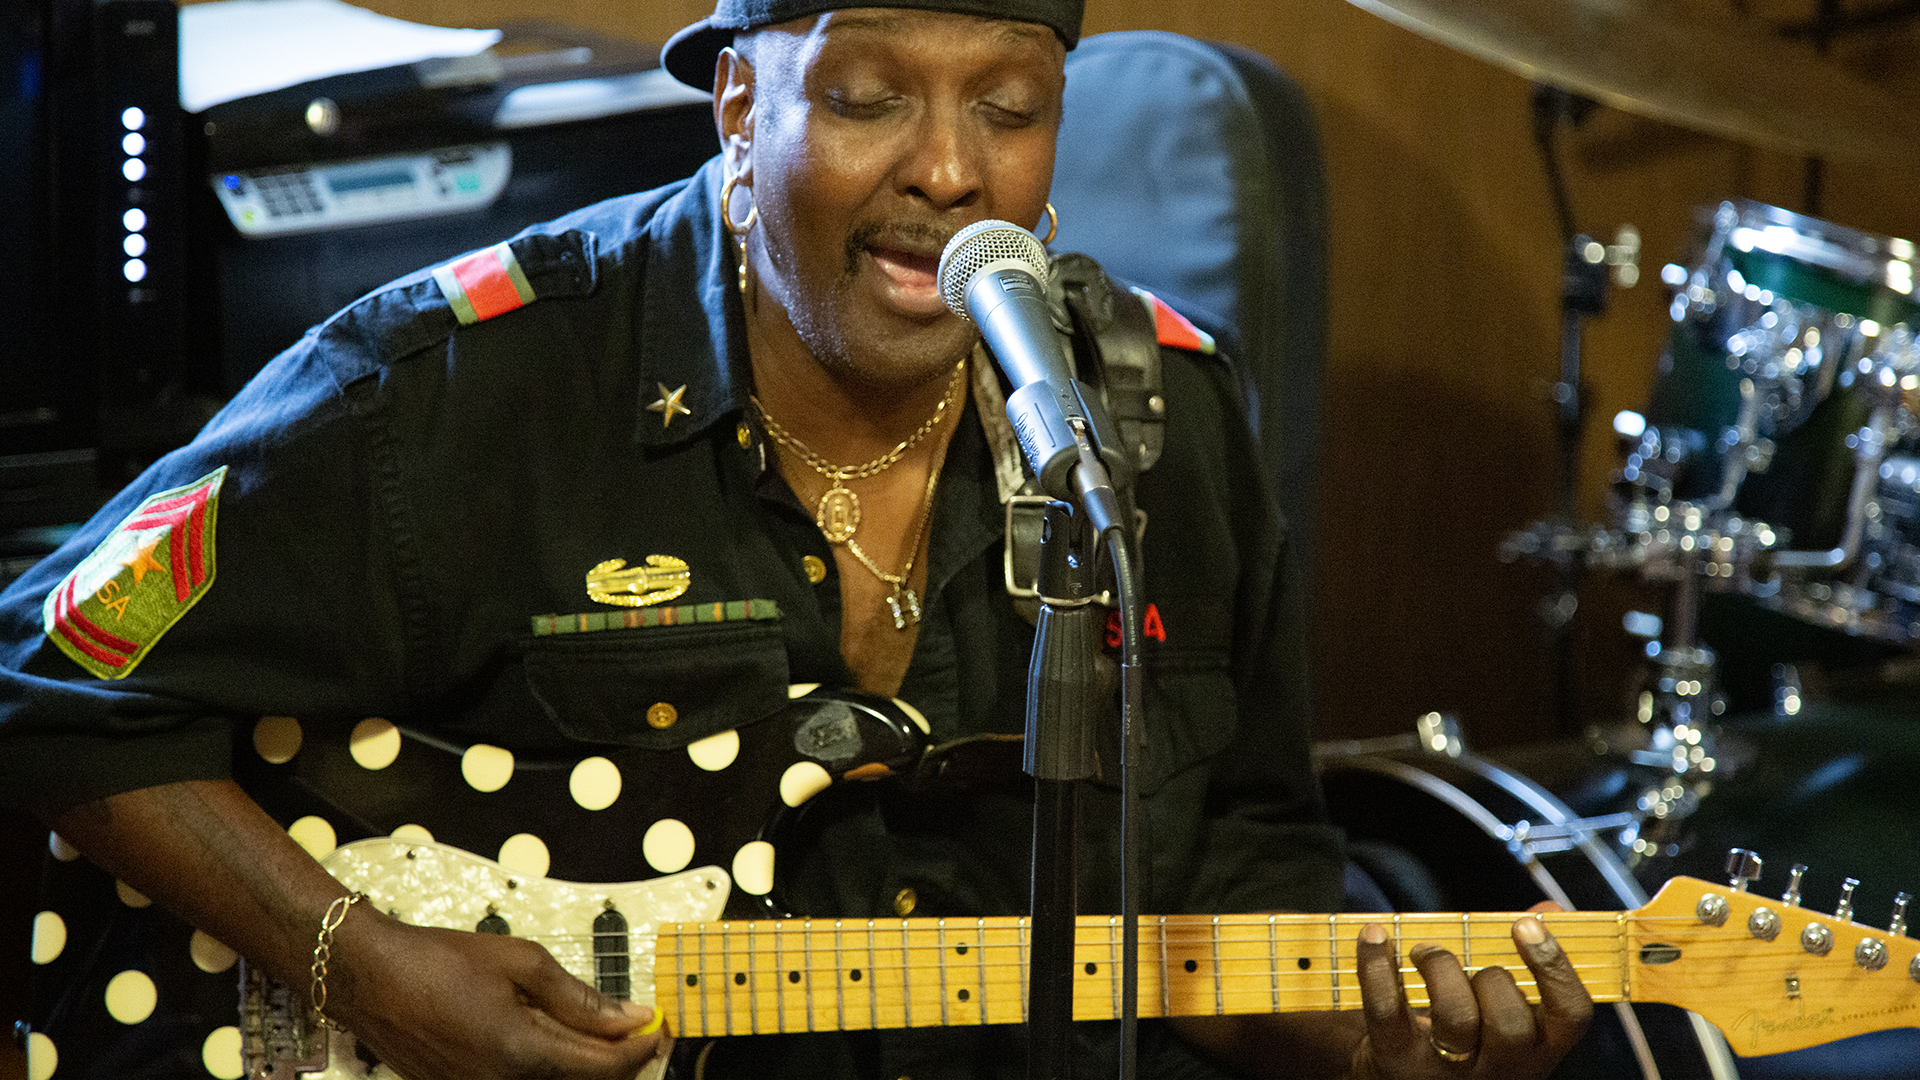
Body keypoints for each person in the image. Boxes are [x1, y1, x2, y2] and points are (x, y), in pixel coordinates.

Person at [0, 1, 1593, 1077]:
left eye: (1010, 109)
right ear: (741, 105)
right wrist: (353, 959)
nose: (951, 169)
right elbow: (46, 675)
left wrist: (1387, 1031)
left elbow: (1237, 861)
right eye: (870, 98)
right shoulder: (460, 385)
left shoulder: (1150, 420)